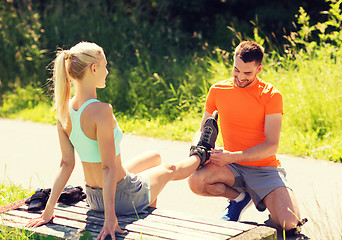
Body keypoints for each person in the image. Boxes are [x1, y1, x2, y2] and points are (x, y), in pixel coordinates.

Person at [25, 42, 207, 240]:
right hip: (122, 198)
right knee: (169, 168)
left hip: (94, 197)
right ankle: (201, 152)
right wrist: (110, 218)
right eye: (105, 65)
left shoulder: (64, 110)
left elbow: (66, 163)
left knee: (154, 157)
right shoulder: (102, 111)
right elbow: (108, 168)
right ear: (94, 68)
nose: (107, 71)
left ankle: (146, 213)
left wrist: (49, 208)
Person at [188, 41, 304, 235]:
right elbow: (201, 129)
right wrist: (197, 148)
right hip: (231, 167)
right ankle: (238, 199)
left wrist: (232, 156)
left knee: (291, 224)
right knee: (196, 181)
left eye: (247, 73)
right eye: (236, 70)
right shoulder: (218, 90)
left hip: (264, 168)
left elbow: (271, 146)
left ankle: (266, 220)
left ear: (259, 69)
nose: (240, 77)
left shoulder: (271, 95)